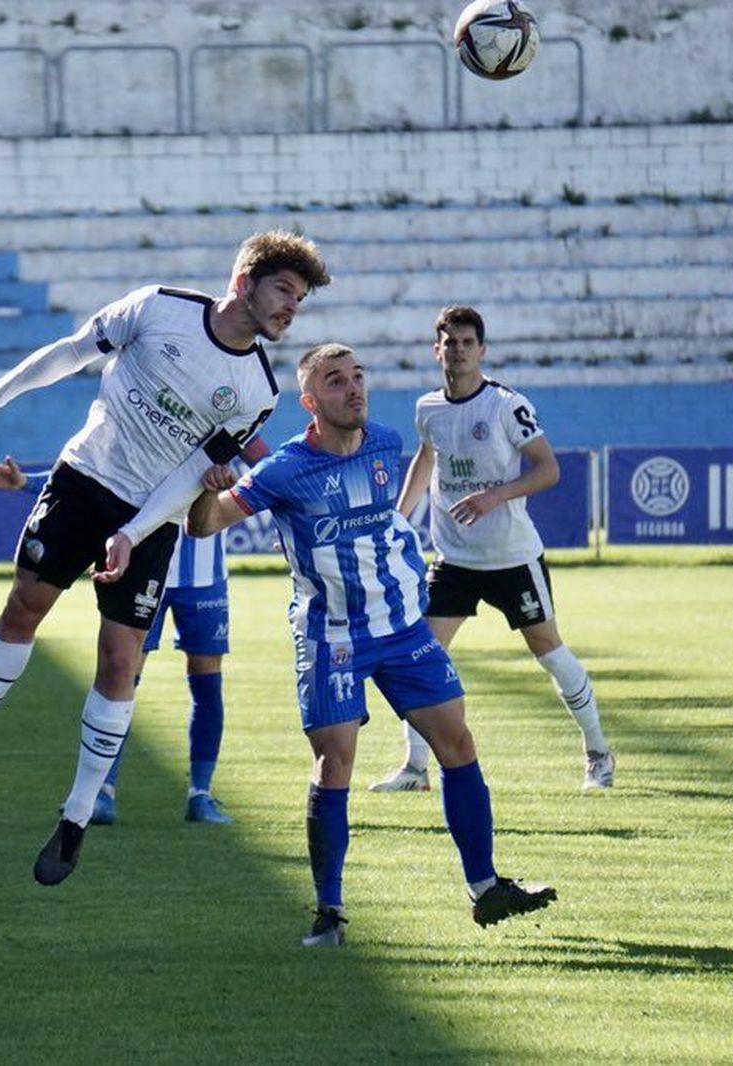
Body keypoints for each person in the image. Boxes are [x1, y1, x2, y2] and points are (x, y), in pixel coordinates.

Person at [102, 342, 556, 944]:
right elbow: (205, 524)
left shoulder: (385, 444)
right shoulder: (284, 469)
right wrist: (211, 490)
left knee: (458, 741)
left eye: (359, 377)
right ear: (311, 401)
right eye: (337, 381)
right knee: (335, 764)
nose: (354, 388)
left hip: (400, 629)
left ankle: (485, 887)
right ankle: (329, 914)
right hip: (330, 637)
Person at [0, 230, 332, 886]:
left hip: (150, 515)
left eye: (301, 299)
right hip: (83, 478)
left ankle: (77, 815)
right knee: (24, 605)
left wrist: (134, 532)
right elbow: (72, 352)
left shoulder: (258, 389)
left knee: (119, 659)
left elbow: (196, 472)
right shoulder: (158, 306)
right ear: (245, 281)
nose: (292, 308)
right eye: (285, 290)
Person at [370, 305, 614, 792]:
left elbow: (548, 469)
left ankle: (598, 752)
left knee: (548, 651)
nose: (457, 351)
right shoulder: (428, 408)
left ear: (482, 350)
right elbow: (426, 459)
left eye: (466, 343)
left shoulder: (506, 405)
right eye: (449, 343)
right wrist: (398, 517)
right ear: (436, 349)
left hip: (511, 557)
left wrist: (494, 496)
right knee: (418, 655)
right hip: (454, 559)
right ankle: (416, 768)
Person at [0, 447, 264, 827]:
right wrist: (27, 483)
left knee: (207, 683)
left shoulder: (235, 417)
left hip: (205, 578)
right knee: (122, 677)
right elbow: (94, 477)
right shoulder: (149, 416)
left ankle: (201, 795)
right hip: (144, 570)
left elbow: (268, 474)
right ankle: (101, 792)